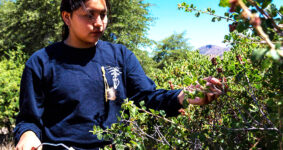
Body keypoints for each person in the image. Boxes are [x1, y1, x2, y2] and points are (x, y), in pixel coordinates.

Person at [14, 0, 223, 149]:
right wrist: (28, 135)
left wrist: (183, 97)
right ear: (67, 17)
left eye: (103, 15)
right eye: (89, 15)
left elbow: (147, 97)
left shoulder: (120, 56)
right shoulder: (42, 62)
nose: (99, 23)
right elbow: (28, 119)